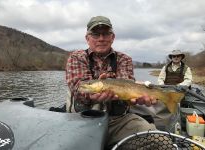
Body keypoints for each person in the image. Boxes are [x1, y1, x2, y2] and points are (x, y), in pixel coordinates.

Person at [65, 16, 156, 148]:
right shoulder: (76, 57)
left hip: (118, 122)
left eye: (106, 34)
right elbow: (78, 86)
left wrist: (136, 98)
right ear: (87, 38)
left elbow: (127, 86)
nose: (101, 38)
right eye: (95, 34)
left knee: (156, 139)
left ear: (112, 37)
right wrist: (91, 96)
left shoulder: (124, 59)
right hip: (82, 121)